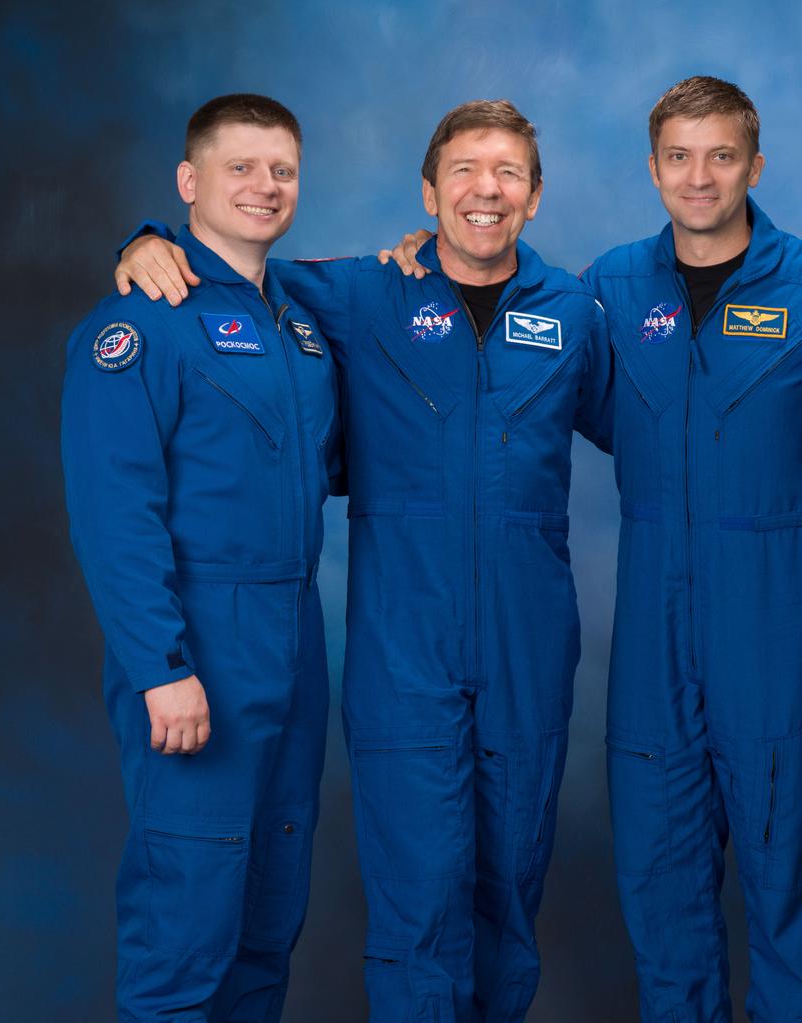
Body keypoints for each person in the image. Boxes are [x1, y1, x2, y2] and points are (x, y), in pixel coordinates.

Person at [383, 77, 802, 1023]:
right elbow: (507, 322)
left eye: (722, 155)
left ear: (755, 166)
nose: (701, 177)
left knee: (785, 901)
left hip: (777, 627)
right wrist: (426, 253)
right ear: (653, 169)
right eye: (680, 156)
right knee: (663, 900)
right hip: (653, 638)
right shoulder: (606, 288)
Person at [114, 99, 613, 1023]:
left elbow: (669, 424)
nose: (485, 190)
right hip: (404, 650)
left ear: (536, 198)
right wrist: (148, 241)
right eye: (464, 170)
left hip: (530, 649)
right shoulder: (361, 294)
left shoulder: (578, 313)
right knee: (418, 904)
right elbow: (237, 265)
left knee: (510, 895)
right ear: (430, 193)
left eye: (508, 173)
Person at [61, 94, 341, 1023]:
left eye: (283, 171)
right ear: (190, 183)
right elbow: (115, 515)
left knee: (268, 916)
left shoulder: (299, 321)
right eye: (241, 168)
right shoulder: (142, 324)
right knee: (189, 919)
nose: (266, 187)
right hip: (200, 645)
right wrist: (161, 666)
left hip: (295, 639)